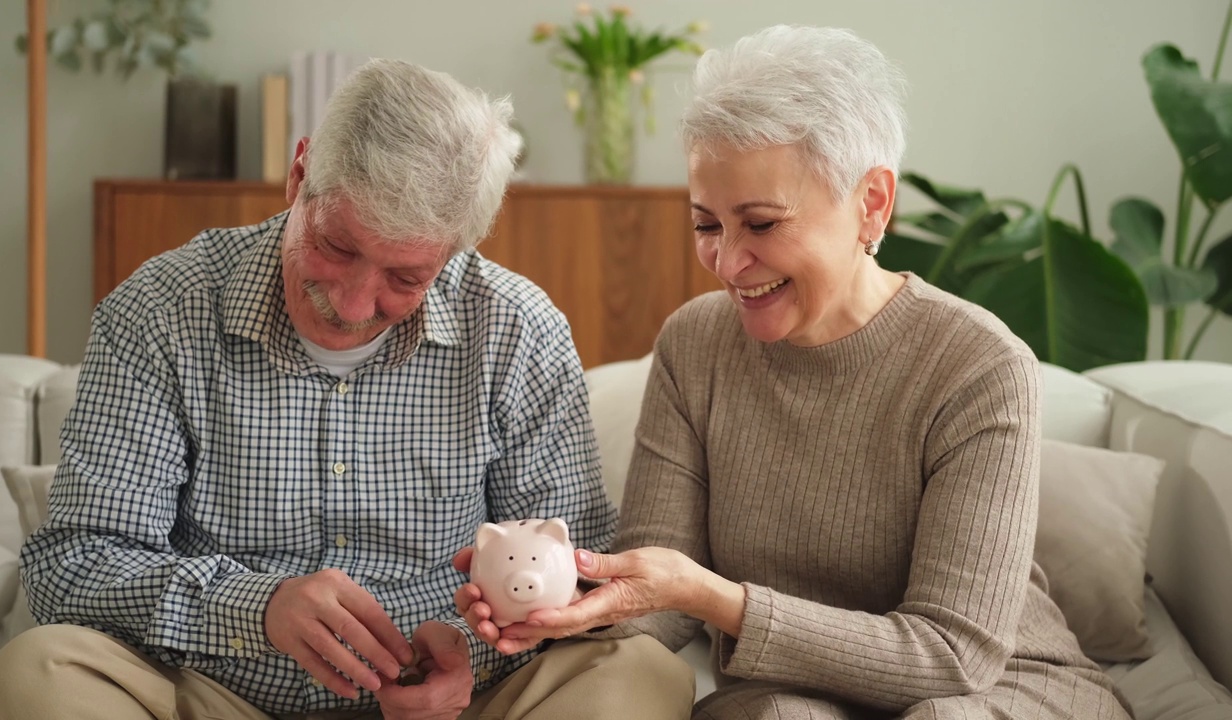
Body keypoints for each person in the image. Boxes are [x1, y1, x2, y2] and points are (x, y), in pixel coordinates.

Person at [0, 58, 692, 720]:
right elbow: (74, 562)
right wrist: (255, 607)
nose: (351, 304)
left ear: (456, 250)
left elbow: (575, 579)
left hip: (459, 708)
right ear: (299, 176)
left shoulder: (517, 330)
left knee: (639, 674)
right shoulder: (160, 311)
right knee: (36, 672)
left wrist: (472, 652)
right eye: (336, 246)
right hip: (216, 694)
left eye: (406, 278)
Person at [455, 26, 1133, 720]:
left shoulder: (979, 367)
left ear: (872, 202)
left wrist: (715, 598)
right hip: (791, 693)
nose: (726, 261)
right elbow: (658, 609)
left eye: (762, 223)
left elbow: (952, 657)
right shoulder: (694, 345)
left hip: (992, 691)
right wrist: (558, 601)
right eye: (707, 224)